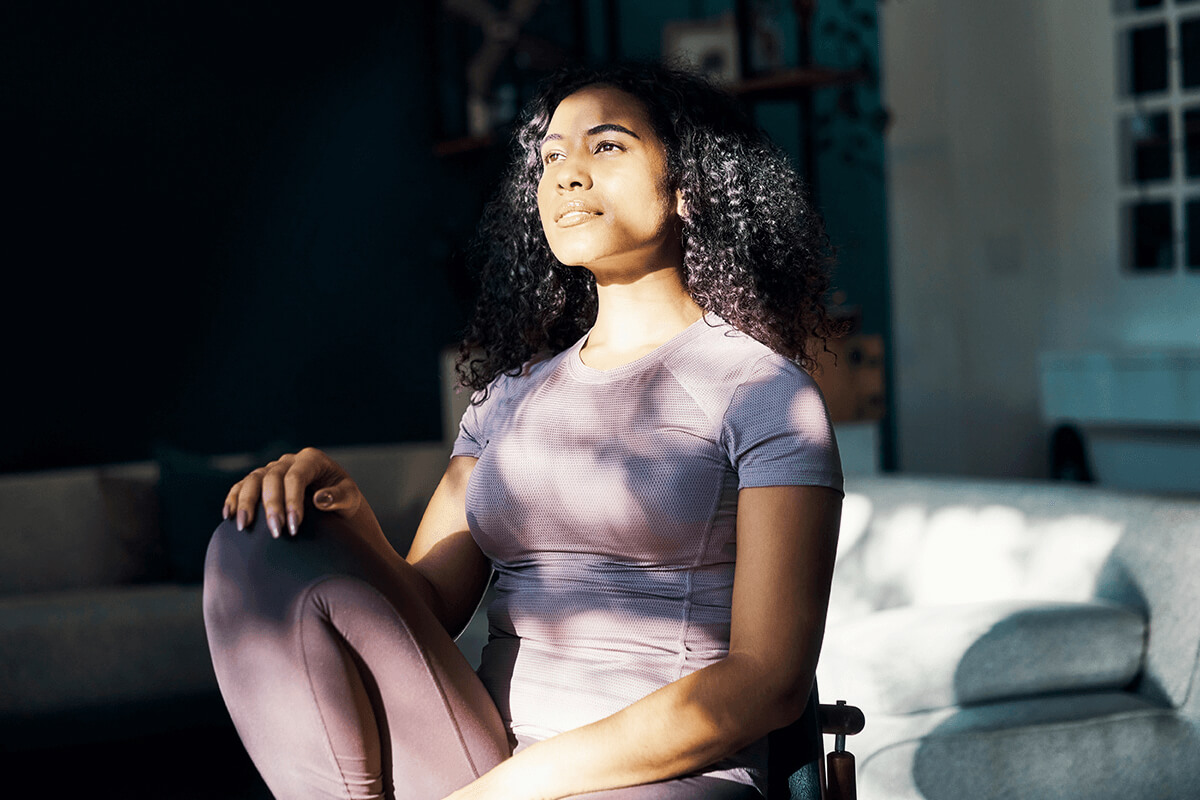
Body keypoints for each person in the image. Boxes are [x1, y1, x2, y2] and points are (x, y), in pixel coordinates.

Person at [204, 62, 845, 800]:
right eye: (550, 157)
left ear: (687, 189)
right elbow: (423, 616)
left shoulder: (763, 394)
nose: (567, 174)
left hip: (666, 776)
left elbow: (769, 684)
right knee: (254, 546)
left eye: (605, 147)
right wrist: (349, 526)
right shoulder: (504, 400)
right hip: (480, 758)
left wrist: (510, 789)